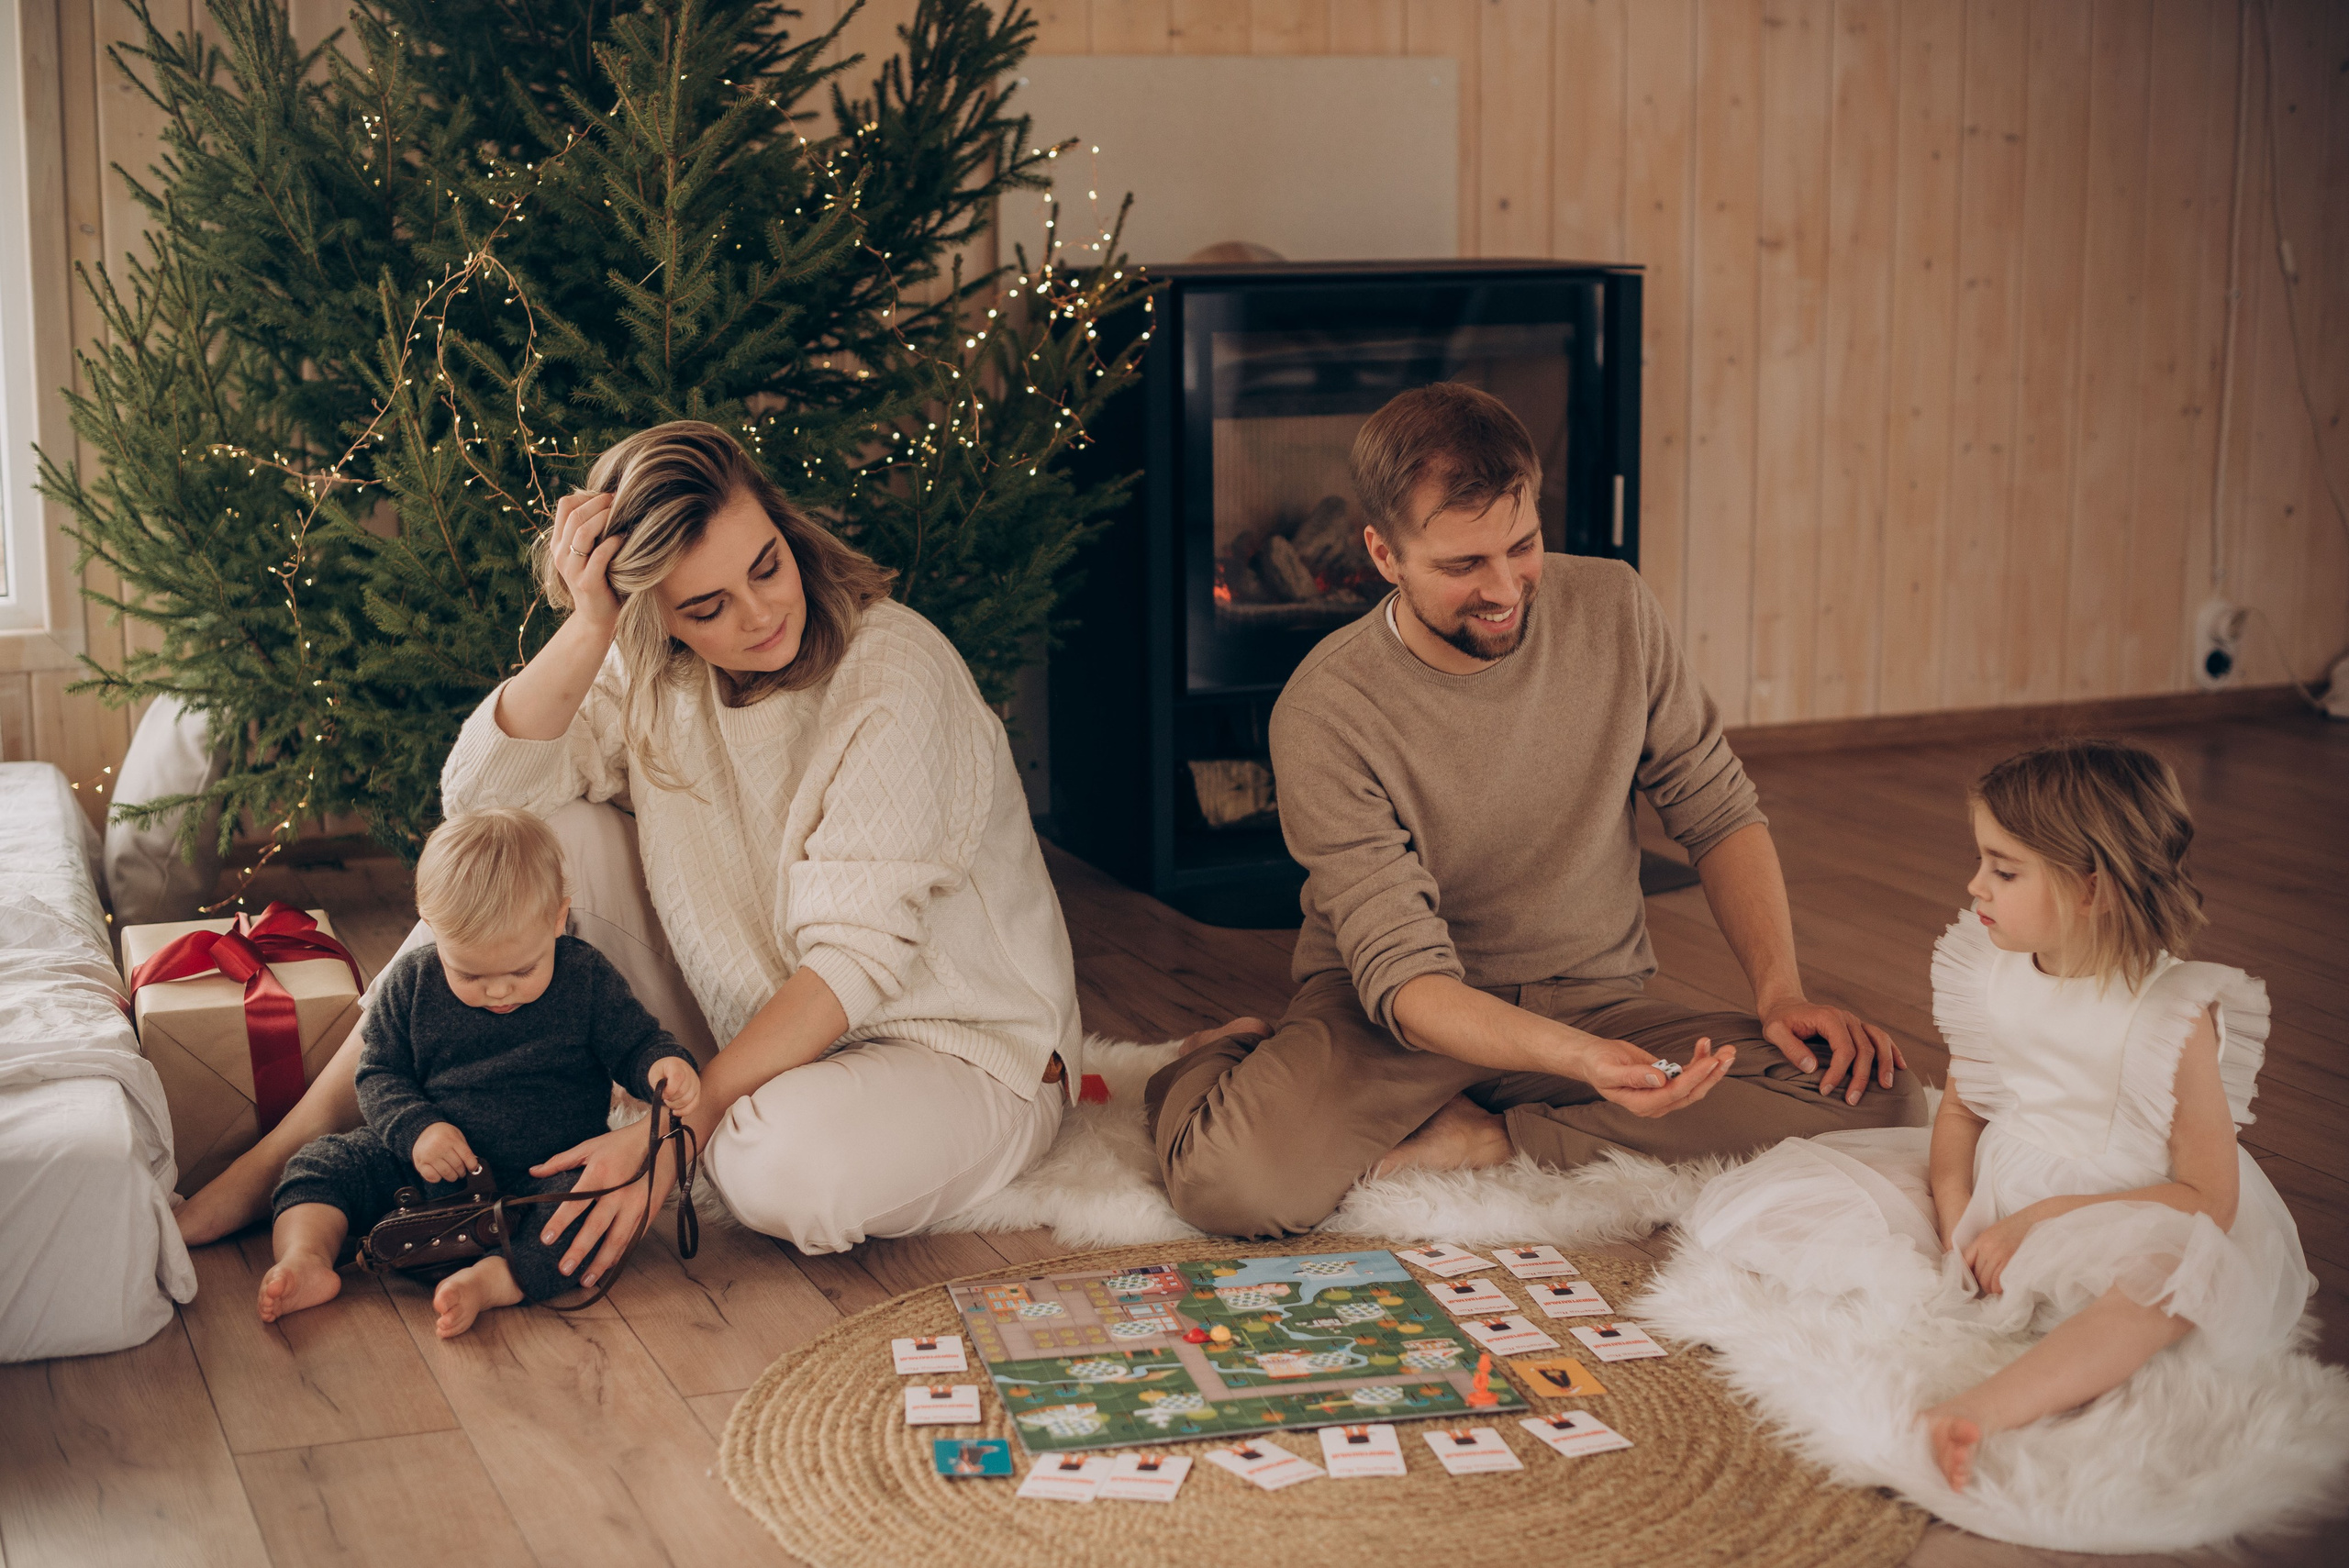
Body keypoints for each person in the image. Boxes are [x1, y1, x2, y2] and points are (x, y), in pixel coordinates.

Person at [182, 419, 1083, 1286]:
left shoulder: (896, 674)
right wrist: (590, 624)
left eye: (765, 565)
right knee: (527, 865)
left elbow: (851, 962)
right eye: (706, 604)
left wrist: (671, 1133)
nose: (761, 612)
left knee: (783, 1170)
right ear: (661, 609)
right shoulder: (656, 662)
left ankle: (722, 1123)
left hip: (957, 1049)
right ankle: (278, 1157)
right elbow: (483, 810)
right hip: (762, 1014)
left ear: (782, 526)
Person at [1151, 383, 1926, 1239]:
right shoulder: (1325, 708)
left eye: (1522, 546)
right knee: (1233, 1183)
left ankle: (1492, 1139)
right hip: (1403, 1022)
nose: (1504, 589)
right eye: (1461, 565)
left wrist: (1780, 994)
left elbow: (1717, 808)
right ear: (1382, 555)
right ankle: (1221, 1057)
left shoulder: (1617, 607)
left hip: (1594, 1001)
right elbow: (1407, 981)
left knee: (1878, 1093)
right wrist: (1584, 1066)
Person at [1678, 739, 2313, 1491]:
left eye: (2004, 870)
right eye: (1983, 860)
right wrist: (1957, 1213)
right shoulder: (1992, 967)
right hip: (1997, 1185)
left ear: (2091, 889)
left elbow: (2210, 1197)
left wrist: (2037, 1222)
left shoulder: (2173, 1016)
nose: (1975, 884)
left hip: (2122, 1207)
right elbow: (1963, 1111)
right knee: (1791, 1204)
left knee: (2173, 1282)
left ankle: (1979, 1409)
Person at [257, 810, 701, 1337]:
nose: (498, 991)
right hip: (426, 1169)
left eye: (522, 971)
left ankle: (495, 1281)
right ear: (432, 929)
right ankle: (307, 1256)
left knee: (594, 1212)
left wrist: (663, 1065)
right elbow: (378, 1074)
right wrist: (417, 1130)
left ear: (558, 920)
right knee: (319, 1164)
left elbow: (635, 1043)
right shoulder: (411, 984)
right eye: (469, 973)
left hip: (543, 1179)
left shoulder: (585, 978)